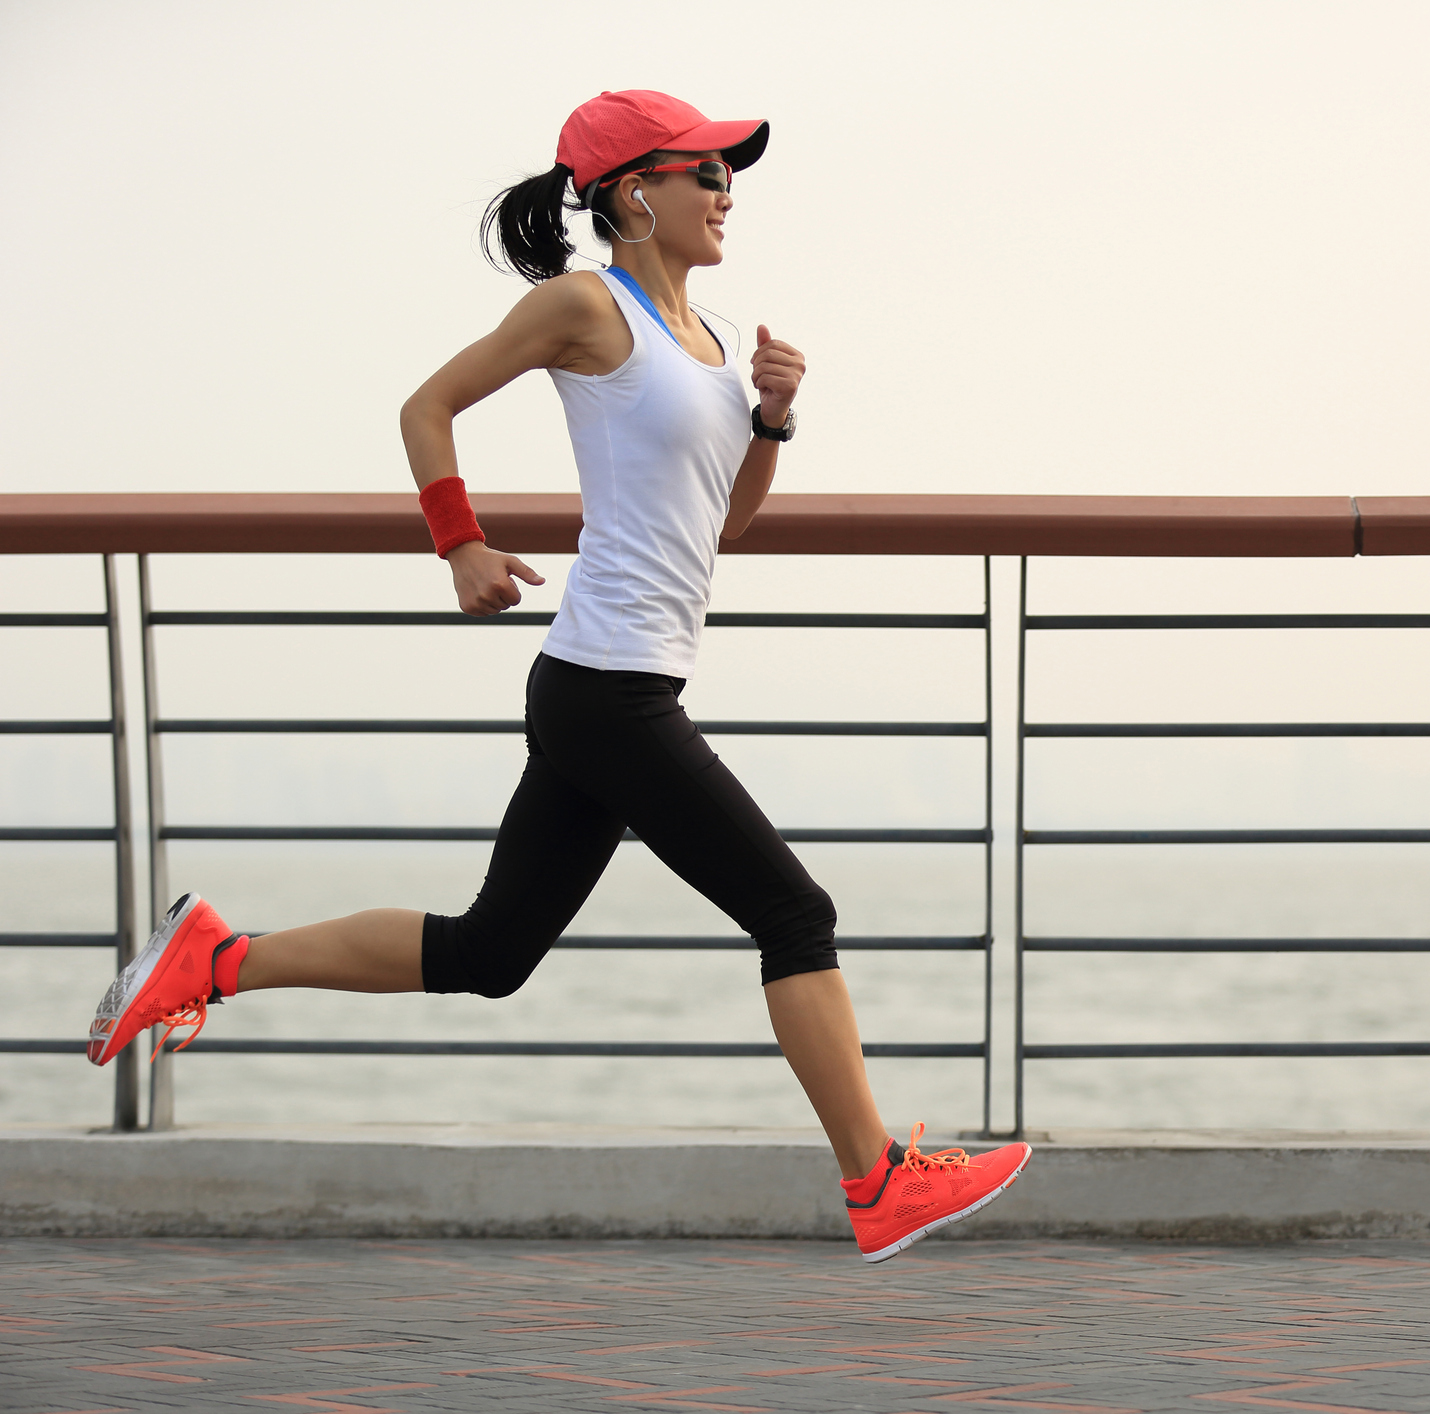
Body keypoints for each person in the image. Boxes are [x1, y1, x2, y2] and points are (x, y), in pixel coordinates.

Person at [83, 89, 1030, 1263]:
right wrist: (460, 544)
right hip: (608, 690)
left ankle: (217, 959)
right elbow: (426, 406)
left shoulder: (719, 338)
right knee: (795, 911)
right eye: (707, 171)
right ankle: (876, 1181)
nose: (729, 190)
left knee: (489, 954)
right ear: (637, 190)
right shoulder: (585, 304)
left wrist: (776, 418)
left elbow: (722, 525)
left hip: (623, 685)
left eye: (733, 172)